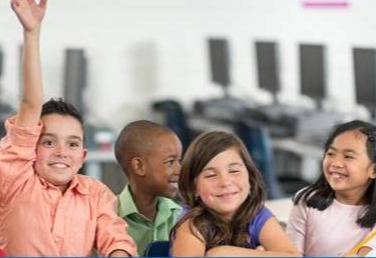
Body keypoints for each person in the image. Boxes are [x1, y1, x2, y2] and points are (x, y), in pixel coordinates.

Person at [0, 0, 137, 256]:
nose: (62, 151)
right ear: (32, 148)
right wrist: (32, 33)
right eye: (49, 142)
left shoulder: (96, 194)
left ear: (82, 156)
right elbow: (30, 104)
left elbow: (116, 240)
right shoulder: (15, 181)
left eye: (72, 143)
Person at [171, 131, 301, 256]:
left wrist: (222, 253)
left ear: (250, 178)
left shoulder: (257, 215)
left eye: (234, 171)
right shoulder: (192, 225)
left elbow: (293, 256)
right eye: (211, 175)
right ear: (194, 187)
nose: (225, 182)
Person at [286, 120, 376, 257]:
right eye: (331, 154)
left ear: (374, 170)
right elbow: (291, 254)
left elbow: (369, 253)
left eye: (348, 156)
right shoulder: (307, 200)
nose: (335, 163)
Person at [114, 120, 183, 256]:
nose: (179, 170)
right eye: (170, 162)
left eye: (179, 161)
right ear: (139, 166)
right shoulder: (108, 218)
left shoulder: (180, 217)